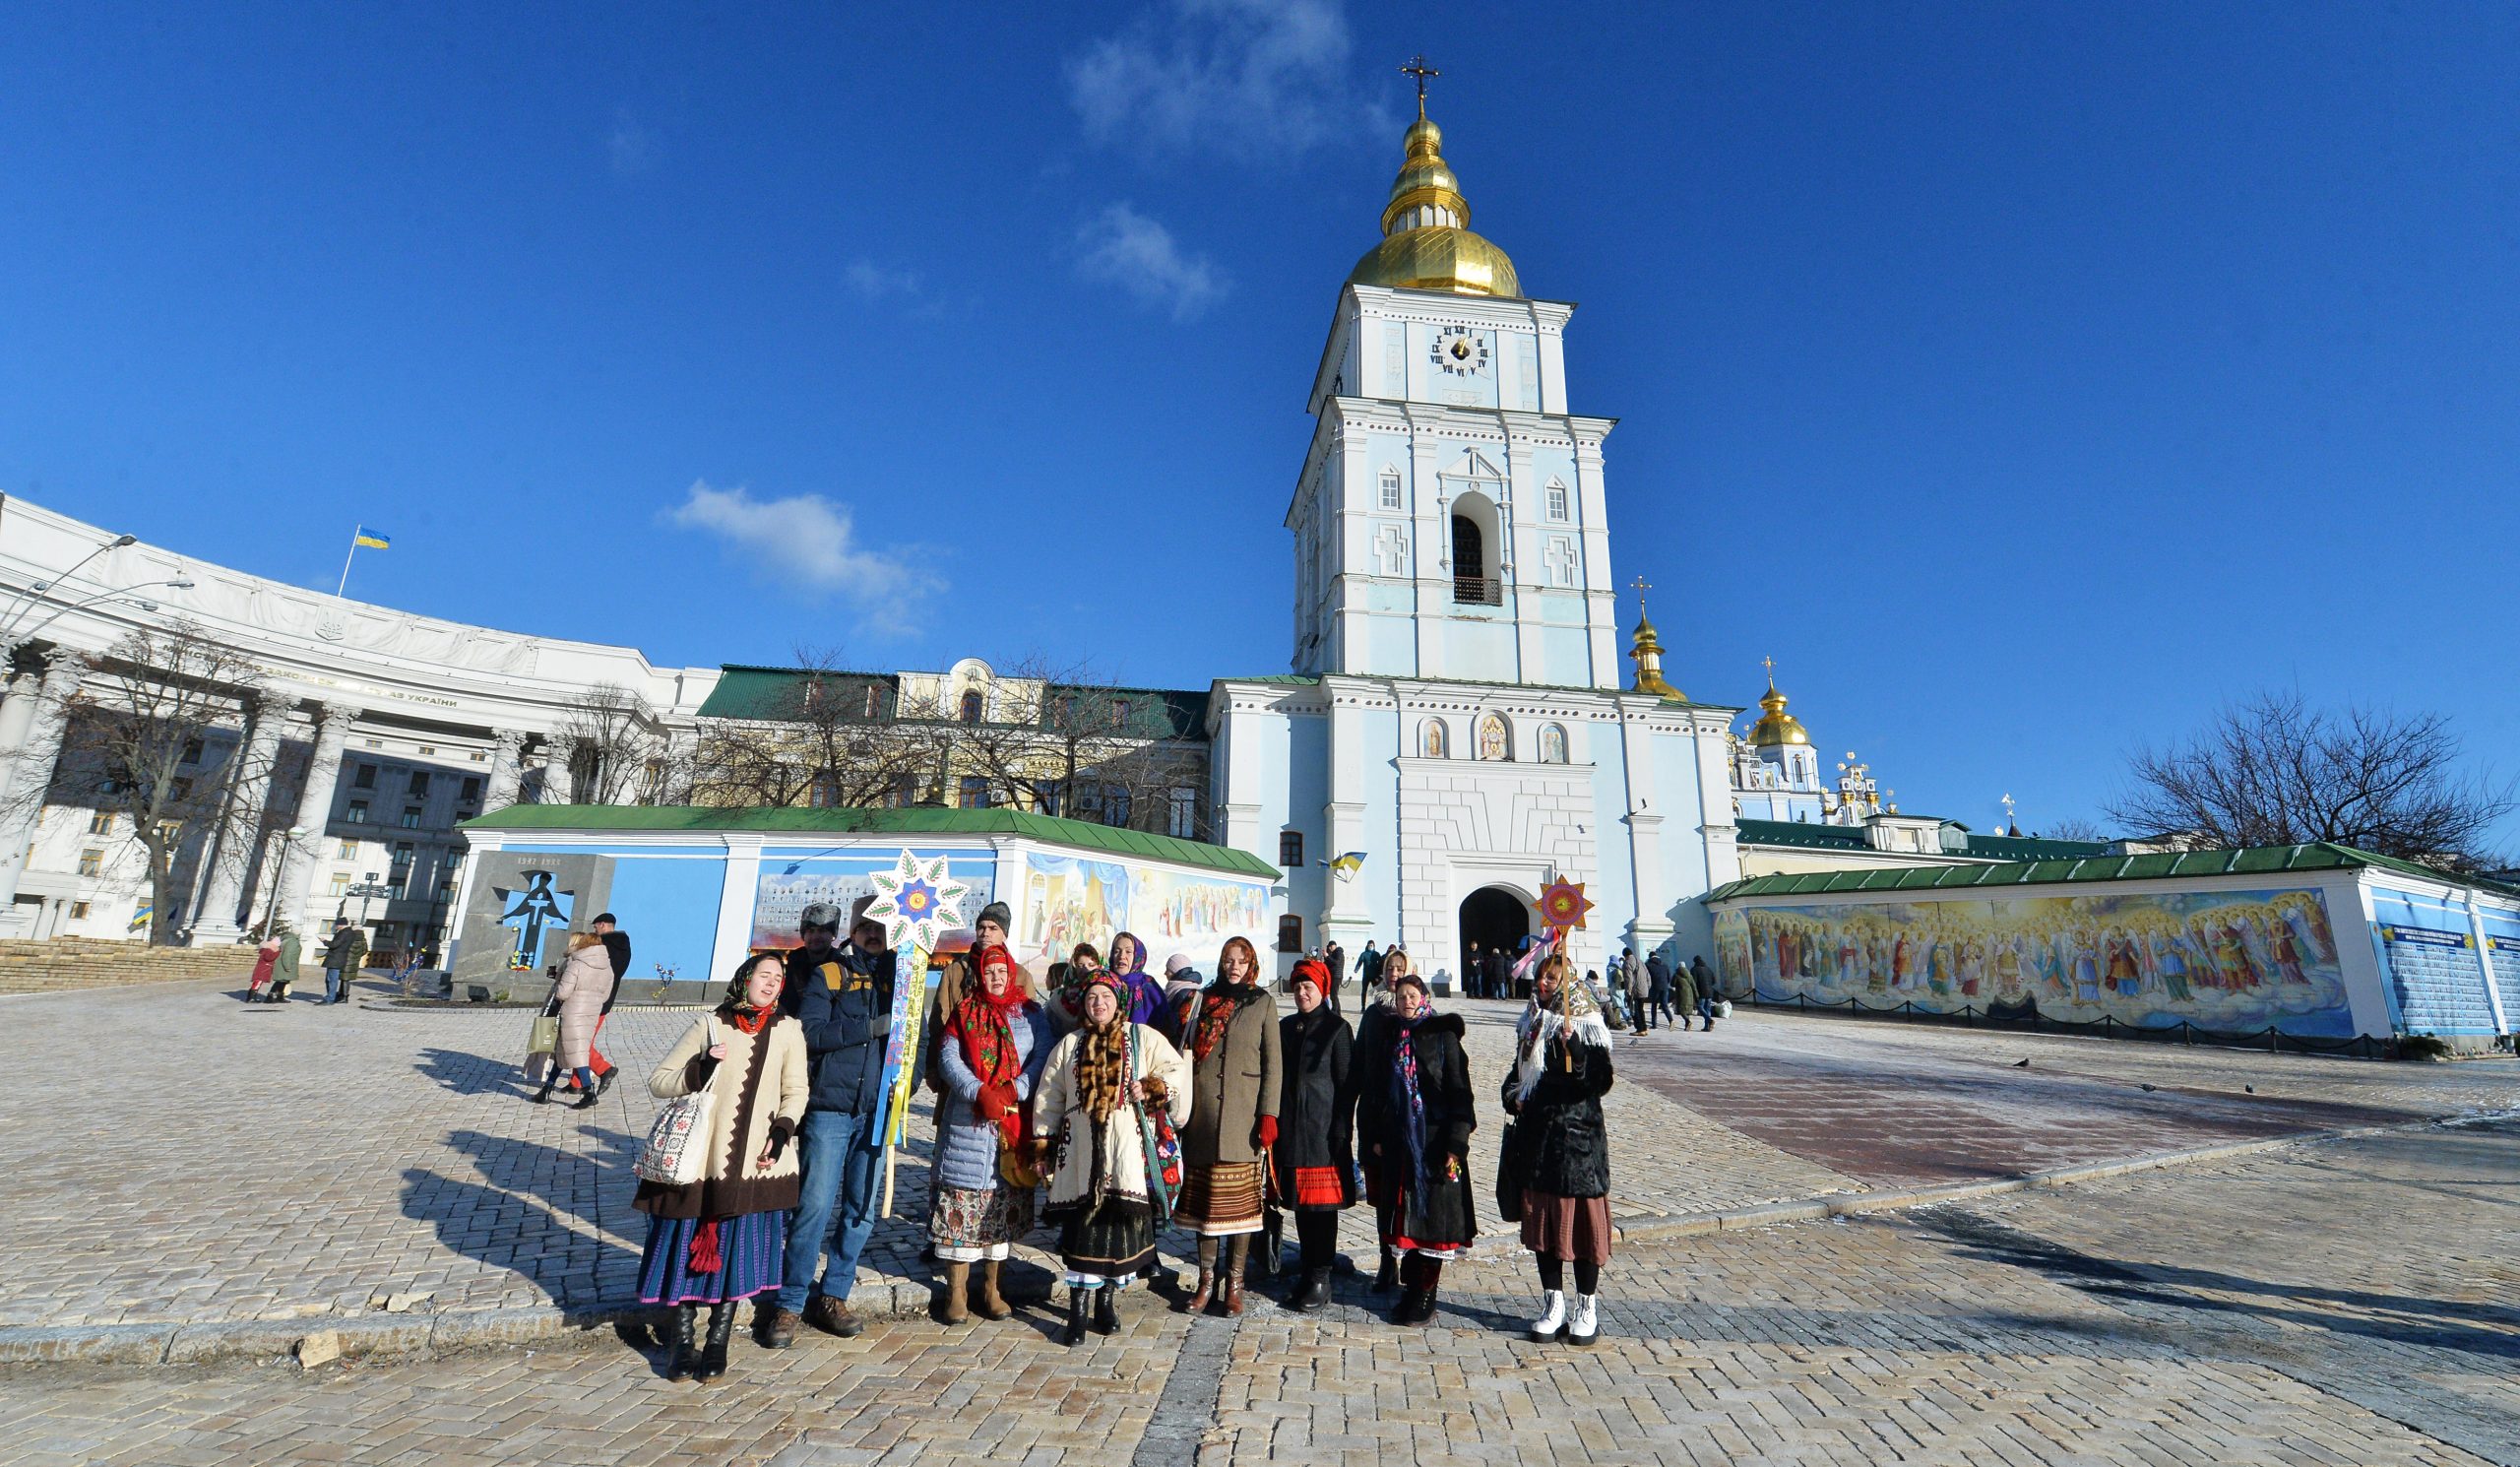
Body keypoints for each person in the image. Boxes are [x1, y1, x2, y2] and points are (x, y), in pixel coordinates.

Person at [633, 952, 808, 1383]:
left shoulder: (788, 1030)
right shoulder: (709, 1025)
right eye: (764, 975)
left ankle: (717, 1341)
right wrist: (703, 1065)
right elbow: (659, 1080)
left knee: (736, 1255)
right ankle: (682, 1341)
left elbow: (797, 1091)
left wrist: (782, 1132)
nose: (770, 984)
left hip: (756, 1162)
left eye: (778, 978)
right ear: (745, 979)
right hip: (700, 1162)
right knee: (684, 1251)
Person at [1034, 971, 1192, 1345]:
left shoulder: (1142, 1037)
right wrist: (1043, 1145)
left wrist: (1151, 1087)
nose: (1098, 1004)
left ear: (1117, 1002)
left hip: (1125, 1153)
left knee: (1118, 1236)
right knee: (1081, 1233)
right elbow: (1049, 1097)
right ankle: (1076, 1312)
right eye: (1092, 998)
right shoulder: (1070, 1045)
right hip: (1079, 1154)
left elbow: (1176, 1070)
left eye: (1105, 997)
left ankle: (1105, 1303)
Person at [766, 910, 892, 1346]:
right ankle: (791, 1301)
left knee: (860, 1211)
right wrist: (870, 1028)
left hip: (877, 1110)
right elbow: (811, 1033)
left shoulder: (902, 979)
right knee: (814, 1206)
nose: (874, 935)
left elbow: (920, 1037)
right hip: (831, 1108)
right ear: (853, 934)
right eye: (867, 928)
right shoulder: (830, 973)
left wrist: (904, 1089)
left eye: (881, 928)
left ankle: (834, 1293)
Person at [930, 943, 1051, 1326]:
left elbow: (1043, 1055)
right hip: (969, 1123)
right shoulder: (966, 1012)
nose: (996, 977)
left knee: (1001, 1210)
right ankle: (957, 1292)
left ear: (1011, 973)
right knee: (960, 1210)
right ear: (980, 975)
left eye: (1002, 971)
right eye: (989, 971)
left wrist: (1013, 1089)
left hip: (1012, 1122)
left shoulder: (1031, 1014)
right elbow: (948, 1057)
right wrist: (979, 1092)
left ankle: (992, 1289)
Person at [1502, 953, 1615, 1346]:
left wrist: (1578, 1053)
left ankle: (1587, 1307)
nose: (1544, 984)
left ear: (1567, 981)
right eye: (1541, 977)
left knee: (1583, 1234)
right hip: (1539, 1145)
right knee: (1544, 1233)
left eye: (1552, 978)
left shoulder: (1584, 1020)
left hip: (1578, 1146)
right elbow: (1518, 1074)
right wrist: (1512, 1096)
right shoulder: (1533, 1021)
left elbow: (1600, 1081)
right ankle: (1553, 1305)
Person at [1354, 970, 1476, 1325]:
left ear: (1423, 998)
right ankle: (1411, 1289)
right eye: (1401, 996)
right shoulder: (1392, 1035)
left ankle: (1426, 1293)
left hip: (1435, 1143)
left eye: (1412, 996)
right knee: (1406, 1220)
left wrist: (1456, 1142)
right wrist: (1374, 1136)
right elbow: (1377, 1091)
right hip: (1399, 1144)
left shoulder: (1444, 1035)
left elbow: (1460, 1092)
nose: (1406, 1002)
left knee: (1432, 1224)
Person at [1175, 935, 1282, 1315]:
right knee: (1207, 1208)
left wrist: (1268, 1114)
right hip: (1203, 1117)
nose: (1233, 967)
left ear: (1250, 963)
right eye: (1227, 961)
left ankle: (1235, 1282)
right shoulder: (1203, 1000)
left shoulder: (1263, 1003)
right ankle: (1206, 1281)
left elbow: (1273, 1065)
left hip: (1244, 1118)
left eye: (1240, 961)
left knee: (1241, 1209)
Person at [1271, 958, 1354, 1310]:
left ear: (1323, 990)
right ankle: (1308, 1269)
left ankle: (1322, 1276)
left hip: (1322, 1133)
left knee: (1322, 1208)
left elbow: (1348, 1084)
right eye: (1298, 987)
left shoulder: (1337, 1028)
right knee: (1302, 1207)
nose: (1302, 993)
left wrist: (1341, 1128)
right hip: (1291, 1130)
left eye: (1309, 987)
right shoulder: (1286, 1026)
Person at [531, 932, 608, 1108]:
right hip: (591, 1012)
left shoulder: (576, 965)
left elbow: (562, 993)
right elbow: (606, 994)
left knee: (576, 1052)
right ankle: (547, 1089)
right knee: (565, 1049)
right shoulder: (607, 967)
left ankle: (588, 1092)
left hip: (572, 1012)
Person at [581, 913, 631, 1095]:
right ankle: (577, 1082)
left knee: (580, 1041)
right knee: (584, 1038)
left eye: (595, 927)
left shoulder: (602, 946)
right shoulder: (624, 946)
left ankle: (603, 1069)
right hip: (606, 999)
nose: (594, 930)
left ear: (602, 924)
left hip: (591, 999)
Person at [1103, 931, 1166, 1026]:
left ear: (1138, 956)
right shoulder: (1103, 983)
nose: (1121, 956)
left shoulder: (1148, 986)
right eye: (1117, 951)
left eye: (1128, 952)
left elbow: (1165, 1023)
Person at [1155, 951, 1204, 1048]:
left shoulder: (1180, 994)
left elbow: (1172, 1025)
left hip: (1175, 1046)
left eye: (1168, 969)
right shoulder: (1193, 987)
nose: (1165, 973)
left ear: (1175, 971)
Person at [319, 919, 367, 1005]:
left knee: (333, 979)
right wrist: (356, 957)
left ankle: (332, 998)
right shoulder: (362, 939)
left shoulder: (345, 933)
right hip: (351, 961)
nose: (335, 926)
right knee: (344, 979)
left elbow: (335, 944)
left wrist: (324, 941)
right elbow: (364, 951)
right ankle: (342, 996)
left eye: (337, 924)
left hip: (339, 958)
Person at [265, 925, 301, 1002]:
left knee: (283, 981)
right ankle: (270, 996)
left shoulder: (287, 939)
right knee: (281, 981)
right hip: (286, 963)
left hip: (282, 963)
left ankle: (279, 996)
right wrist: (287, 966)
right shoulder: (293, 941)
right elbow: (287, 954)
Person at [1669, 948, 1698, 1031]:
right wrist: (1697, 996)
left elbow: (1672, 984)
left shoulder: (1676, 974)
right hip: (1690, 994)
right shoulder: (1689, 975)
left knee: (1682, 1010)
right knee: (1687, 1010)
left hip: (1681, 994)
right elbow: (1694, 986)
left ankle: (1688, 1021)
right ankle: (1687, 1025)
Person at [1625, 949, 1654, 1035]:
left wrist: (1628, 991)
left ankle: (1639, 1029)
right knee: (1641, 1010)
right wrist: (1647, 987)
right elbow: (1647, 975)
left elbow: (1628, 979)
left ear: (1625, 956)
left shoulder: (1627, 963)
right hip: (1644, 989)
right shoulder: (1640, 961)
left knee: (1635, 1010)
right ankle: (1644, 1029)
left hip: (1635, 990)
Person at [247, 931, 280, 1001]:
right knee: (257, 983)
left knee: (257, 982)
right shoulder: (269, 950)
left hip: (262, 968)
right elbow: (268, 958)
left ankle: (250, 997)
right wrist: (277, 953)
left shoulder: (266, 949)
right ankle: (252, 998)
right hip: (264, 969)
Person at [1691, 954, 1720, 1030]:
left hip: (1701, 992)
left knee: (1700, 1007)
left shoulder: (1694, 969)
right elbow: (1714, 981)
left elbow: (1693, 982)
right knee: (1707, 1009)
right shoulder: (1708, 969)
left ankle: (1709, 1020)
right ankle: (1707, 1027)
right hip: (1710, 992)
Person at [1321, 939, 1347, 1014]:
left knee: (1333, 994)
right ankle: (1337, 1011)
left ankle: (1335, 1010)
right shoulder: (1333, 953)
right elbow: (1328, 964)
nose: (1329, 948)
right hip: (1334, 975)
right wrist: (1325, 957)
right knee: (1333, 994)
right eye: (1328, 947)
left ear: (1334, 946)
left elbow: (1336, 962)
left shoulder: (1338, 952)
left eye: (1330, 947)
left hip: (1336, 976)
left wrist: (1328, 956)